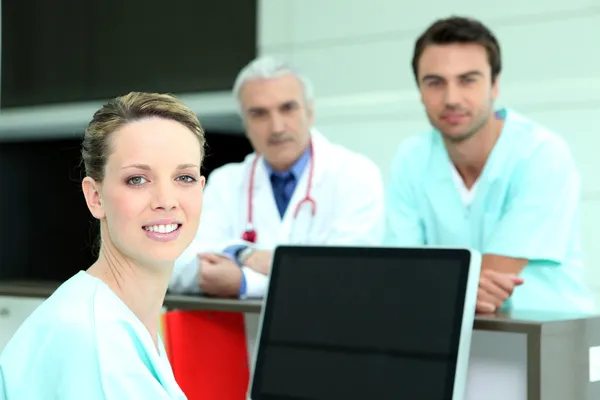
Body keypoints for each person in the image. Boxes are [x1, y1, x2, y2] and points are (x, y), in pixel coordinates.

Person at [0, 92, 206, 399]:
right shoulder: (95, 340)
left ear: (201, 188)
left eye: (184, 177)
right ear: (95, 197)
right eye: (137, 179)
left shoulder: (115, 319)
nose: (166, 201)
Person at [385, 16, 596, 314]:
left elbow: (490, 282)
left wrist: (430, 286)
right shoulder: (412, 157)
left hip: (551, 339)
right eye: (434, 83)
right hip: (455, 337)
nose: (451, 98)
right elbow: (396, 276)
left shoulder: (541, 154)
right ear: (419, 91)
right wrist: (447, 288)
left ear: (495, 85)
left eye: (468, 80)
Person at [169, 56, 385, 299]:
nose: (277, 127)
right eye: (259, 114)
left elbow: (345, 274)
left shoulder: (355, 175)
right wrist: (245, 254)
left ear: (310, 112)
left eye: (288, 108)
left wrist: (245, 284)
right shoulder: (225, 183)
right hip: (239, 335)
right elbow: (178, 263)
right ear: (246, 124)